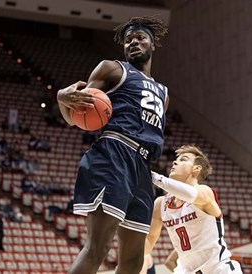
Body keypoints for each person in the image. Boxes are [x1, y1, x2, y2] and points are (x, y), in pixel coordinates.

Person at [56, 15, 168, 274]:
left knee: (133, 261)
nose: (133, 42)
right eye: (128, 39)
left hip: (142, 166)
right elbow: (74, 118)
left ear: (153, 45)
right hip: (114, 153)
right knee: (98, 247)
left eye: (140, 38)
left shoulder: (164, 91)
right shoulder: (112, 69)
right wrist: (62, 97)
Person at [144, 145, 243, 274]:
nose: (175, 162)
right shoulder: (160, 204)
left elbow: (191, 194)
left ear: (196, 169)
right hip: (186, 270)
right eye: (176, 159)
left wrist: (149, 175)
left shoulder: (205, 192)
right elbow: (148, 242)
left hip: (218, 269)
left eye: (183, 160)